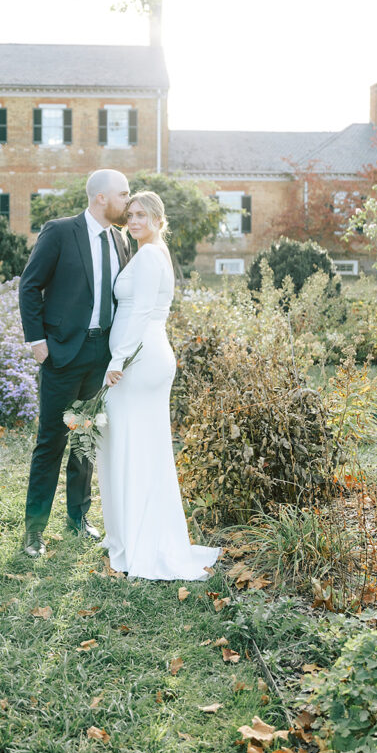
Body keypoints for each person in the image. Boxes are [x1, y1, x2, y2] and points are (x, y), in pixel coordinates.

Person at [97, 192, 220, 580]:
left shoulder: (150, 256)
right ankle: (136, 530)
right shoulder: (152, 252)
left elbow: (143, 313)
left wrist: (117, 362)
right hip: (144, 356)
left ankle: (141, 539)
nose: (133, 221)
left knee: (132, 443)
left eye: (141, 215)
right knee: (140, 443)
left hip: (139, 360)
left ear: (157, 218)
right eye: (129, 215)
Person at [18, 169, 131, 558]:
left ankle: (78, 518)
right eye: (123, 194)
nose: (128, 201)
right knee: (52, 442)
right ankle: (34, 531)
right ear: (101, 197)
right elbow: (30, 284)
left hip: (101, 358)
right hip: (63, 354)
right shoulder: (61, 231)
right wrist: (37, 340)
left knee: (85, 439)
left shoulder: (121, 239)